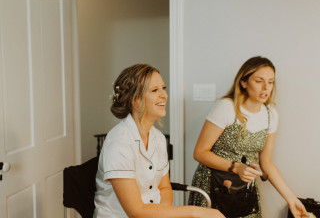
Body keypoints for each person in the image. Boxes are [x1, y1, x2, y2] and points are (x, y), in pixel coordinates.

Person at [94, 64, 224, 218]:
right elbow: (136, 211)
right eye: (155, 90)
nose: (164, 95)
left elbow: (164, 188)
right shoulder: (119, 143)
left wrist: (161, 213)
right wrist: (195, 211)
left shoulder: (159, 138)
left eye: (163, 88)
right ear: (135, 100)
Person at [188, 57, 308, 218]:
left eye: (271, 82)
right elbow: (200, 153)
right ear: (244, 82)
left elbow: (266, 163)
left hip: (244, 190)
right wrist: (237, 168)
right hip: (213, 185)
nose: (266, 87)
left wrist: (291, 199)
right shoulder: (226, 107)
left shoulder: (270, 114)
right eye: (259, 81)